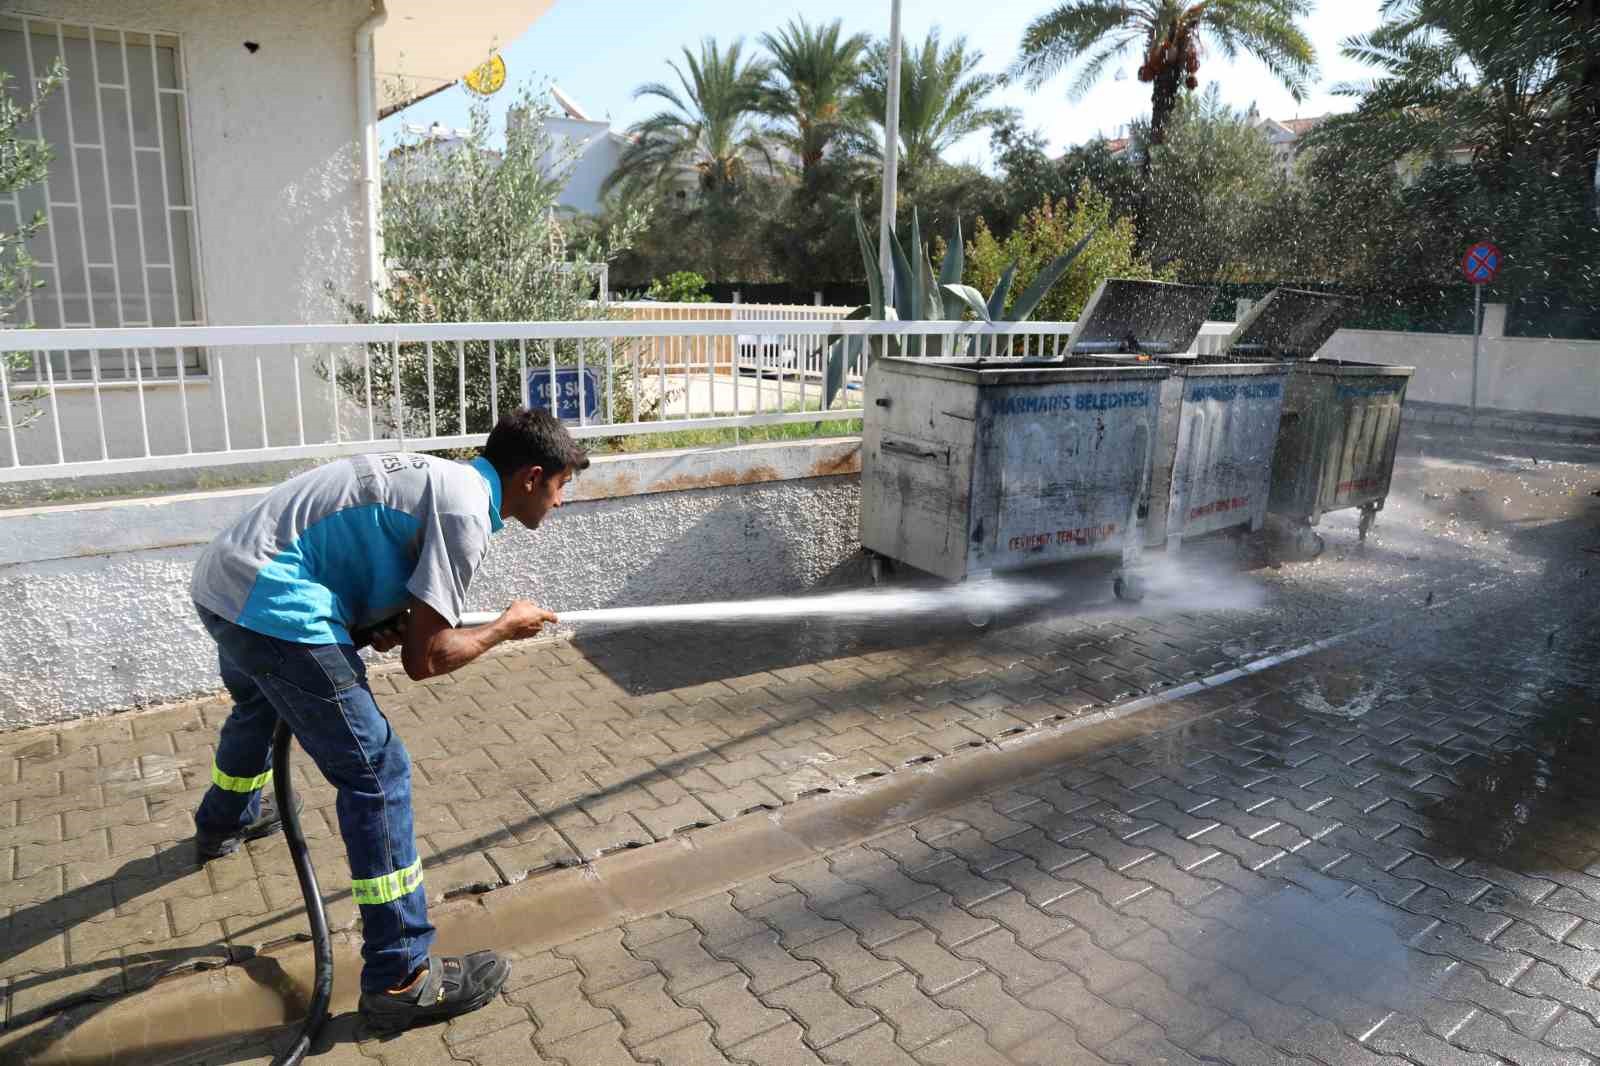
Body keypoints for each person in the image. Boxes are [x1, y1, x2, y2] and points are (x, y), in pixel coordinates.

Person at [187, 407, 585, 1032]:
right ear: (533, 477)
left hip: (225, 583)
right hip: (274, 605)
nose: (561, 502)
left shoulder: (445, 483)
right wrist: (506, 628)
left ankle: (225, 819)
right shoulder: (463, 514)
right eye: (563, 486)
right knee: (377, 772)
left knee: (261, 703)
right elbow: (425, 660)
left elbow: (364, 569)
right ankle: (402, 976)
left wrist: (378, 622)